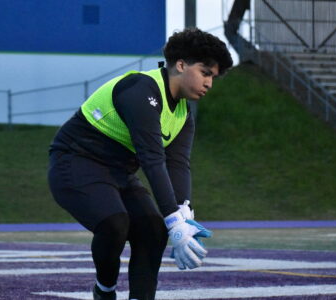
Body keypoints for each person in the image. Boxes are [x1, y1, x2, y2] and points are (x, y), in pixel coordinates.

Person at [47, 28, 233, 300]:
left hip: (119, 172)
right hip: (75, 162)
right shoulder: (140, 89)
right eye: (205, 73)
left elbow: (178, 164)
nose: (209, 84)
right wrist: (175, 221)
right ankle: (105, 291)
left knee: (153, 229)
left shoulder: (184, 113)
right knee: (115, 222)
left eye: (213, 78)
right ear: (181, 65)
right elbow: (152, 158)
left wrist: (184, 213)